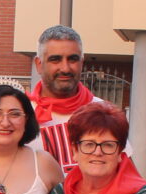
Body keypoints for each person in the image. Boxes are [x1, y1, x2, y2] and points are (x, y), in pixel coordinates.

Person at [26, 25, 108, 173]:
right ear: (39, 64)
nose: (65, 68)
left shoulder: (105, 112)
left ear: (82, 63)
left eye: (72, 59)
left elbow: (125, 173)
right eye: (55, 60)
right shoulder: (20, 115)